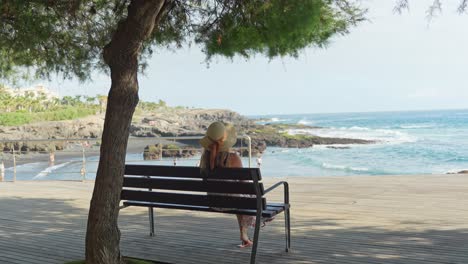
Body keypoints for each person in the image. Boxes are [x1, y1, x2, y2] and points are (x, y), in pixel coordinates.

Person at [199, 121, 256, 248]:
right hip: (232, 202)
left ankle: (244, 235)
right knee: (243, 195)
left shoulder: (204, 160)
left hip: (212, 201)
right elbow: (244, 184)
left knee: (235, 194)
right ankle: (250, 228)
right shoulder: (233, 158)